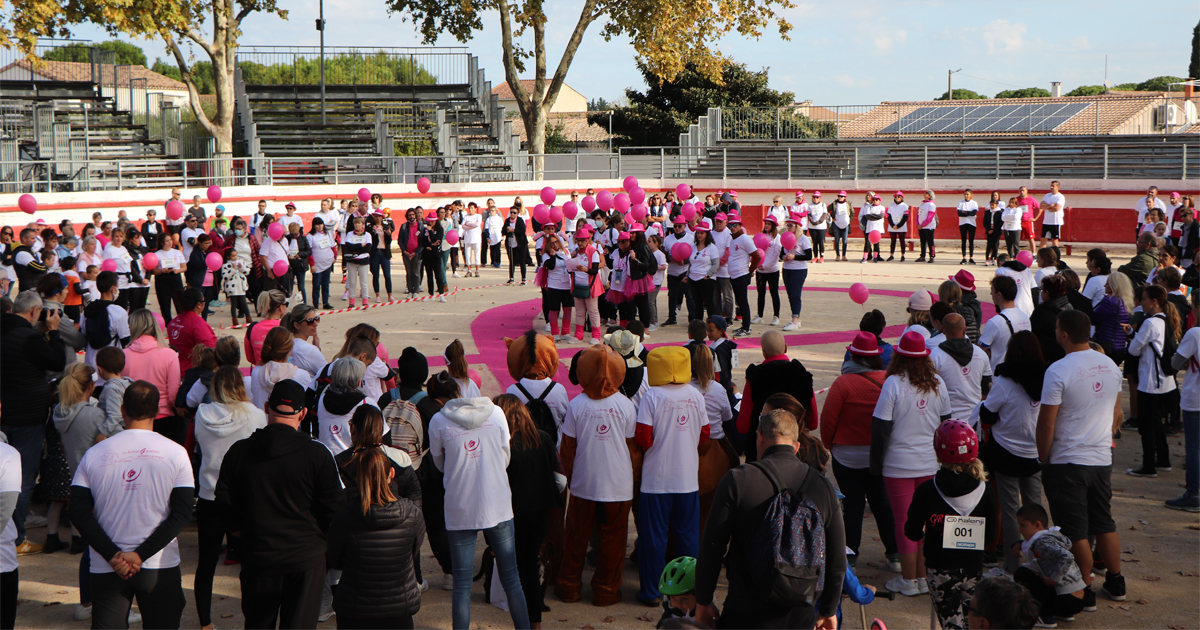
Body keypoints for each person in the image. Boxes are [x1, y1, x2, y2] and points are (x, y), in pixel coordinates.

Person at [694, 408, 846, 629]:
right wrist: (828, 609)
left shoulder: (738, 479)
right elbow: (836, 558)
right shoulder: (823, 488)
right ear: (796, 446)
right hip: (799, 610)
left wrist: (703, 599)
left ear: (759, 438)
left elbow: (712, 547)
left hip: (745, 610)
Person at [215, 379, 345, 629]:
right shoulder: (318, 454)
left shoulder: (239, 452)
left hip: (259, 556)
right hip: (305, 560)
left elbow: (223, 500)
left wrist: (241, 531)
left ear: (266, 407)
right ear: (303, 414)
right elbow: (335, 509)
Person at [68, 380, 193, 629]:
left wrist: (114, 555)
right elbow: (181, 515)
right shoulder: (177, 453)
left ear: (123, 409)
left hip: (107, 565)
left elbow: (78, 512)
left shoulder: (95, 453)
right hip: (158, 564)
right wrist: (139, 556)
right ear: (157, 412)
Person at [1036, 310, 1125, 600]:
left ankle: (1083, 588)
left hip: (1067, 459)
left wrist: (1044, 455)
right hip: (1100, 457)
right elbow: (1117, 413)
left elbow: (1047, 421)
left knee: (1074, 530)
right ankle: (1115, 579)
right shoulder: (1110, 365)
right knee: (1103, 522)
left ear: (1063, 334)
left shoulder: (1059, 370)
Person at [428, 390, 530, 628]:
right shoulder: (496, 413)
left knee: (461, 585)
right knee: (512, 578)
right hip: (497, 504)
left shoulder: (438, 420)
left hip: (460, 505)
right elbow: (505, 456)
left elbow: (439, 463)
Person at [871, 332, 951, 597]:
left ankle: (909, 580)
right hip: (930, 464)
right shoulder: (937, 382)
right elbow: (946, 424)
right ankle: (922, 577)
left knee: (904, 522)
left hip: (898, 465)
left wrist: (875, 466)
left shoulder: (892, 383)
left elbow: (881, 428)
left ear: (899, 355)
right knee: (926, 522)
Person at [557, 345, 639, 606]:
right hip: (618, 483)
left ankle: (569, 586)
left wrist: (574, 476)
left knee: (576, 538)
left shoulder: (577, 405)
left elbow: (567, 449)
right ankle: (606, 591)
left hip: (584, 482)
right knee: (613, 541)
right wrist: (633, 480)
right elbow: (633, 449)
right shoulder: (626, 405)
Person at [194, 366, 267, 630]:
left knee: (207, 563)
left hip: (209, 495)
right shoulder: (256, 416)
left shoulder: (202, 415)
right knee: (249, 565)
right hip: (243, 499)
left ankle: (205, 622)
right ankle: (252, 618)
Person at [903, 420, 994, 630]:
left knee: (952, 624)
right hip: (973, 567)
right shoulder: (985, 490)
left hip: (940, 568)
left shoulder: (927, 490)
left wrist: (930, 533)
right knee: (974, 620)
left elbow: (912, 531)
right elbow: (989, 538)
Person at [50, 362, 124, 618]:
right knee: (106, 547)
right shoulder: (94, 416)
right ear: (91, 386)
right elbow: (122, 437)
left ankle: (87, 603)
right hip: (102, 486)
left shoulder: (60, 413)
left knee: (92, 547)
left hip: (78, 484)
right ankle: (101, 604)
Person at [635, 346, 708, 606]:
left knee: (654, 538)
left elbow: (643, 436)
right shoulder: (696, 394)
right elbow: (705, 435)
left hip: (656, 480)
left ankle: (652, 592)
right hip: (687, 478)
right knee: (688, 537)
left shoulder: (652, 395)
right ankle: (688, 589)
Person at [822, 332, 900, 570]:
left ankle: (850, 557)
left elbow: (828, 420)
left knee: (852, 505)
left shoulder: (842, 383)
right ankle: (895, 555)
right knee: (882, 503)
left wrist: (829, 444)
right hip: (879, 456)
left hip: (846, 456)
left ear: (852, 355)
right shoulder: (889, 380)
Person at [326, 442, 425, 630]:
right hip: (399, 609)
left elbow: (335, 560)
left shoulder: (344, 517)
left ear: (357, 478)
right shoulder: (413, 514)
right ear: (391, 474)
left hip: (355, 610)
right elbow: (413, 552)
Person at [978, 330, 1046, 577]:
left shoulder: (1005, 382)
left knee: (1009, 510)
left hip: (1006, 452)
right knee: (1035, 508)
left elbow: (987, 414)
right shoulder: (1046, 379)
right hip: (1035, 452)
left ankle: (1012, 564)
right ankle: (1039, 561)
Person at [495, 394, 561, 629]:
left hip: (512, 512)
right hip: (541, 510)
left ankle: (524, 621)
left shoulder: (503, 444)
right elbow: (561, 479)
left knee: (517, 570)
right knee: (530, 565)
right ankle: (535, 623)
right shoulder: (543, 438)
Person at [736, 331, 816, 461]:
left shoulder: (755, 377)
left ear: (764, 352)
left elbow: (743, 426)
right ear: (785, 348)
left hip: (763, 453)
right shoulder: (802, 375)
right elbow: (813, 423)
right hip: (797, 450)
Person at [1126, 285, 1180, 477]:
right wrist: (1133, 336)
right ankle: (1163, 459)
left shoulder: (1149, 323)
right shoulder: (1164, 319)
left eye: (1144, 299)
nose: (1141, 302)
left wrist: (1133, 338)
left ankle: (1148, 465)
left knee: (1146, 425)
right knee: (1156, 421)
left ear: (1154, 301)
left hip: (1151, 382)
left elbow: (1133, 350)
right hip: (1165, 381)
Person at [1012, 503, 1093, 627]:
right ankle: (1064, 613)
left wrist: (1054, 579)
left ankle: (1046, 616)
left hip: (1065, 598)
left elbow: (1067, 557)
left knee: (1022, 573)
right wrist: (1019, 543)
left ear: (1037, 525)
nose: (1020, 530)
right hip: (1077, 599)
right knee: (1033, 571)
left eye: (1023, 525)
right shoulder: (1051, 536)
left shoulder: (1042, 542)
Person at [122, 309, 183, 445]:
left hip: (132, 421)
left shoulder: (123, 355)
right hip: (164, 418)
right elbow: (173, 395)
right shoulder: (169, 354)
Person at [930, 314, 992, 426]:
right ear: (965, 329)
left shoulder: (935, 356)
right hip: (975, 419)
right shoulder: (981, 354)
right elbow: (986, 389)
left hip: (946, 420)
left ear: (943, 330)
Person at [505, 330, 570, 434]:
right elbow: (566, 420)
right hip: (553, 446)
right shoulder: (558, 390)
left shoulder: (512, 391)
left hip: (524, 446)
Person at [1166, 322, 1200, 512]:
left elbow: (1175, 363)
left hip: (1196, 397)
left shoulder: (1195, 333)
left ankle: (1193, 494)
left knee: (1194, 447)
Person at [317, 357, 377, 455]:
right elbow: (383, 434)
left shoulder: (322, 399)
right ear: (359, 381)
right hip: (353, 460)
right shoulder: (366, 403)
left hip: (326, 458)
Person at [251, 327, 316, 411]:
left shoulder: (256, 372)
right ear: (290, 349)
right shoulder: (302, 375)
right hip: (289, 422)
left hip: (261, 422)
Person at [979, 275, 1032, 371]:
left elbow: (980, 350)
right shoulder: (1025, 317)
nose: (991, 293)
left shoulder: (996, 322)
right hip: (1019, 371)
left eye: (992, 290)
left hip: (999, 374)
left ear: (999, 294)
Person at [724, 213, 760, 338]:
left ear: (740, 225)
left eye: (735, 225)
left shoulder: (744, 239)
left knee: (743, 302)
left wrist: (750, 270)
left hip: (742, 275)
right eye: (730, 225)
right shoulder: (733, 239)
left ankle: (746, 328)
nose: (732, 227)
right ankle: (744, 325)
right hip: (734, 275)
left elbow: (757, 256)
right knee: (740, 301)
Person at [166, 288, 216, 373]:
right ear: (199, 304)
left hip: (176, 368)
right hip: (193, 371)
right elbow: (209, 349)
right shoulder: (197, 324)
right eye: (204, 300)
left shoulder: (173, 322)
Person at [1030, 275, 1073, 364]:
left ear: (1047, 293)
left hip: (1046, 357)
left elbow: (1031, 333)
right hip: (1066, 354)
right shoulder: (1068, 306)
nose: (1041, 293)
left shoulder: (1042, 311)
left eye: (1042, 290)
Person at [685, 221, 720, 323]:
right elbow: (691, 264)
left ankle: (712, 323)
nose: (699, 235)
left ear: (707, 234)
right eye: (698, 233)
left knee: (709, 303)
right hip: (693, 278)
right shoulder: (693, 247)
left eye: (702, 233)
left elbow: (715, 264)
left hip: (706, 280)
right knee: (697, 303)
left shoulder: (712, 247)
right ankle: (698, 324)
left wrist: (708, 275)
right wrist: (687, 275)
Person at [752, 215, 782, 326]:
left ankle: (776, 316)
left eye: (769, 224)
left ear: (773, 226)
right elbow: (755, 250)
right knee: (760, 294)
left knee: (774, 293)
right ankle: (759, 316)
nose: (767, 226)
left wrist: (765, 266)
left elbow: (775, 256)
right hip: (760, 271)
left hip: (772, 270)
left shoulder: (777, 237)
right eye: (766, 224)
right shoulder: (760, 236)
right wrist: (757, 265)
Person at [245, 290, 287, 365]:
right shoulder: (285, 327)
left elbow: (250, 357)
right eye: (286, 304)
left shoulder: (252, 328)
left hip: (260, 371)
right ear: (280, 307)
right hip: (282, 372)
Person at [657, 557, 701, 627]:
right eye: (673, 597)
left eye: (684, 599)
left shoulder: (707, 619)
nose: (678, 604)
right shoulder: (670, 613)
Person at [150, 235, 186, 321]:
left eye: (170, 240)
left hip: (175, 278)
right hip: (162, 280)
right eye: (167, 241)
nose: (170, 242)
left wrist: (177, 270)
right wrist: (162, 271)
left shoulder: (177, 252)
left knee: (179, 303)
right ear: (162, 243)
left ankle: (182, 321)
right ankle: (168, 323)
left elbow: (184, 267)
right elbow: (154, 271)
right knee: (165, 305)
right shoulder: (157, 254)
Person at [342, 215, 374, 307]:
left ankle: (365, 301)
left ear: (363, 224)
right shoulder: (350, 234)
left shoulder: (367, 235)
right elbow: (349, 247)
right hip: (352, 261)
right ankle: (351, 302)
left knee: (363, 282)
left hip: (363, 261)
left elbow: (367, 248)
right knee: (352, 282)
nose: (357, 225)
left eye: (359, 223)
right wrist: (360, 245)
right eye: (355, 223)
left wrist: (356, 248)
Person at [420, 211, 448, 301]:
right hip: (427, 254)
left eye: (432, 221)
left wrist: (431, 232)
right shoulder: (425, 229)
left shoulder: (439, 229)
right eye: (429, 221)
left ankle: (441, 294)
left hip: (436, 255)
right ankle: (430, 294)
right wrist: (430, 245)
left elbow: (436, 240)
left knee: (438, 275)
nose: (430, 223)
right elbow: (422, 241)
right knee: (429, 276)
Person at [503, 207, 529, 285]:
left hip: (520, 244)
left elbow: (522, 231)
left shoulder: (520, 220)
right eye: (511, 212)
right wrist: (507, 230)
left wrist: (513, 230)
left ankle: (523, 279)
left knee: (521, 261)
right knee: (512, 261)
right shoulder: (507, 221)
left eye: (514, 213)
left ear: (517, 213)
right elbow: (503, 231)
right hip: (510, 244)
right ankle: (511, 278)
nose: (512, 214)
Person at [957, 189, 979, 264]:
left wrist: (965, 212)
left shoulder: (974, 203)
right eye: (965, 194)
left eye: (967, 194)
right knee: (963, 240)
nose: (966, 196)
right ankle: (964, 257)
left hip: (972, 223)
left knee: (971, 240)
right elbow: (959, 213)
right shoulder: (961, 203)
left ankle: (971, 257)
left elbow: (973, 213)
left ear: (971, 195)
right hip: (962, 223)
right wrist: (968, 213)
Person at [916, 190, 938, 263]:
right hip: (921, 226)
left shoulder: (931, 205)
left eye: (926, 194)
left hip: (929, 226)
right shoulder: (922, 204)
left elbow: (930, 217)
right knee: (922, 241)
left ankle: (932, 256)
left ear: (930, 196)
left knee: (930, 241)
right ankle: (922, 256)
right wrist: (917, 224)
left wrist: (922, 225)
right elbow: (918, 215)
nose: (924, 194)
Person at [886, 191, 909, 262]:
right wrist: (892, 225)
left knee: (902, 241)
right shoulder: (891, 205)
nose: (897, 198)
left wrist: (898, 225)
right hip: (892, 226)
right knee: (893, 241)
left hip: (901, 226)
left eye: (898, 197)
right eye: (895, 197)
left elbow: (905, 217)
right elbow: (889, 216)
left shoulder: (904, 206)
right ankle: (891, 255)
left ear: (902, 198)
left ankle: (903, 255)